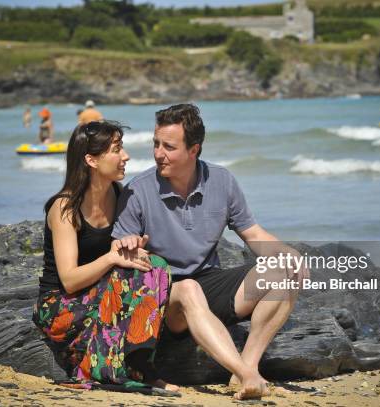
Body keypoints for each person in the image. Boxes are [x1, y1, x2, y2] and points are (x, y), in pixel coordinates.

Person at [112, 104, 310, 400]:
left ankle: (245, 368)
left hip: (211, 283)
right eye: (156, 144)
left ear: (194, 150)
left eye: (169, 146)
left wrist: (287, 253)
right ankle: (250, 377)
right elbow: (118, 250)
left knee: (285, 271)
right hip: (166, 297)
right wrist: (130, 248)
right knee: (189, 288)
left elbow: (252, 233)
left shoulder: (222, 180)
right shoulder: (137, 191)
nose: (158, 153)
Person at [32, 121, 178, 393]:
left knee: (154, 266)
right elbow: (70, 280)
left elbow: (128, 254)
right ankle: (109, 369)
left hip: (99, 292)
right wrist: (112, 258)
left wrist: (134, 248)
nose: (126, 156)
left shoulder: (119, 194)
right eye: (117, 149)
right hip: (61, 306)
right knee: (134, 272)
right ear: (91, 160)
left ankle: (140, 364)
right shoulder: (65, 208)